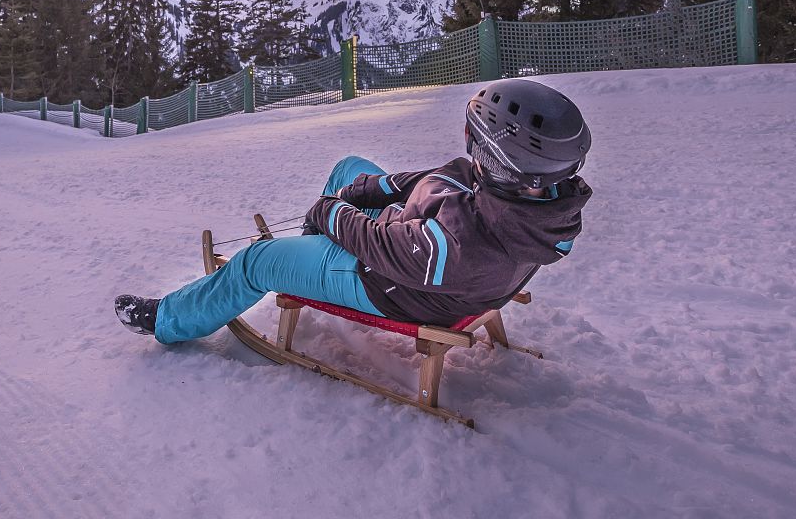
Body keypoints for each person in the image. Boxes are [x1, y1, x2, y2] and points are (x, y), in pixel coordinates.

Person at [114, 78, 593, 342]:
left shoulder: (465, 246)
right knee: (350, 167)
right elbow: (439, 178)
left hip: (383, 282)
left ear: (498, 157)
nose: (470, 151)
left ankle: (168, 321)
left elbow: (376, 245)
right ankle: (309, 252)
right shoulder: (525, 195)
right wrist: (366, 189)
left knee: (257, 261)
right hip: (412, 249)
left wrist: (329, 213)